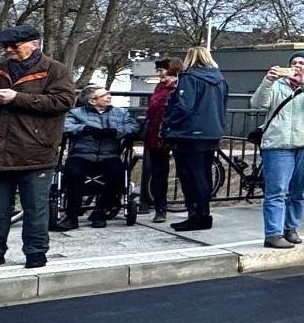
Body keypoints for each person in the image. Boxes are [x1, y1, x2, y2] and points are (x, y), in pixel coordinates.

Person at [0, 26, 74, 271]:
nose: (8, 50)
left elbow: (63, 102)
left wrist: (17, 98)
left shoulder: (55, 70)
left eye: (14, 45)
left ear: (34, 44)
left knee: (35, 207)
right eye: (5, 46)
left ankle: (36, 252)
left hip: (36, 150)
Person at [251, 53, 304, 248]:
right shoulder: (277, 85)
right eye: (294, 63)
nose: (297, 66)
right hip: (278, 144)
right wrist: (267, 81)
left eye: (302, 63)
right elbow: (258, 104)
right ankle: (273, 233)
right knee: (276, 191)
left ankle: (291, 228)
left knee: (299, 190)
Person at [161, 46, 228, 231]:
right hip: (211, 132)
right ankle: (203, 214)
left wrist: (167, 123)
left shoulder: (189, 78)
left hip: (190, 133)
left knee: (190, 176)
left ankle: (196, 215)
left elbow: (184, 107)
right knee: (203, 176)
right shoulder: (220, 80)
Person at [56, 86, 139, 231]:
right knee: (73, 173)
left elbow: (133, 126)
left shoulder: (120, 113)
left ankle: (100, 211)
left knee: (116, 173)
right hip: (82, 154)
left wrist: (116, 132)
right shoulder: (76, 113)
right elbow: (65, 126)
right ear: (92, 101)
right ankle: (72, 216)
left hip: (109, 154)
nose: (109, 96)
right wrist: (84, 129)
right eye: (104, 95)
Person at [141, 60, 178, 223]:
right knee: (158, 173)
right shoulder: (160, 87)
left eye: (161, 70)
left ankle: (161, 207)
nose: (159, 74)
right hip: (156, 134)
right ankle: (159, 207)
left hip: (171, 133)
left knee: (169, 171)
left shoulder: (179, 88)